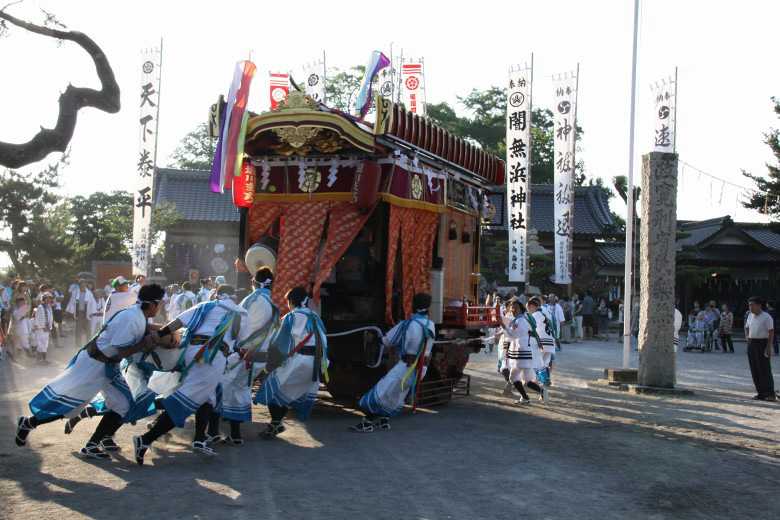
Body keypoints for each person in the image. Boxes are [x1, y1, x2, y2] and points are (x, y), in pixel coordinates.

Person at [14, 285, 164, 458]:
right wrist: (146, 343)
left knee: (123, 405)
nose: (159, 308)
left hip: (107, 366)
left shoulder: (138, 314)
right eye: (159, 304)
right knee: (71, 405)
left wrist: (167, 329)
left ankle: (93, 444)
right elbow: (122, 351)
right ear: (152, 304)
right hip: (93, 364)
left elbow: (146, 329)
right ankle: (29, 423)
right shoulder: (132, 318)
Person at [133, 284, 249, 465]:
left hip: (192, 352)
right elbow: (243, 343)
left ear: (217, 295)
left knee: (207, 398)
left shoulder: (207, 305)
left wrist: (158, 335)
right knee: (185, 401)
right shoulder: (241, 313)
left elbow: (178, 322)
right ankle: (145, 439)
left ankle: (199, 439)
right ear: (233, 297)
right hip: (212, 357)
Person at [351, 293, 435, 431]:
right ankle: (384, 421)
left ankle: (367, 423)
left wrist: (375, 338)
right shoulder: (430, 325)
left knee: (381, 392)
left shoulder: (407, 324)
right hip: (421, 370)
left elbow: (388, 341)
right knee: (396, 394)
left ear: (413, 305)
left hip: (406, 367)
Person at [254, 286, 329, 439]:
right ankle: (275, 424)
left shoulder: (291, 317)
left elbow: (279, 343)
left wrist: (269, 365)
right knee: (286, 393)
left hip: (300, 362)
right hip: (317, 364)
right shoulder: (315, 317)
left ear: (291, 301)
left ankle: (275, 424)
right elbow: (324, 340)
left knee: (270, 388)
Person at [218, 267, 279, 445]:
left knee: (230, 388)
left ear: (254, 282)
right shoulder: (274, 303)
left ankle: (233, 434)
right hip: (263, 355)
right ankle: (233, 433)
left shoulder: (252, 299)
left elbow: (237, 325)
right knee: (240, 388)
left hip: (245, 354)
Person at [500, 298, 544, 405]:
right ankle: (541, 392)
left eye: (515, 307)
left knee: (514, 377)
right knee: (527, 381)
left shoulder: (521, 321)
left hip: (520, 353)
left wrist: (504, 327)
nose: (513, 310)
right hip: (522, 353)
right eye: (511, 308)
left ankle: (526, 397)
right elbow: (511, 335)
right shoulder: (519, 320)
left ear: (520, 309)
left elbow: (514, 335)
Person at [744, 297, 775, 401]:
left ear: (759, 305)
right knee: (755, 369)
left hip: (762, 343)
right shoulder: (750, 315)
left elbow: (771, 332)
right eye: (749, 305)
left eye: (752, 305)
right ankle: (761, 393)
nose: (750, 307)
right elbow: (746, 326)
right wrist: (747, 337)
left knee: (764, 369)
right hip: (752, 343)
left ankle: (770, 394)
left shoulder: (767, 317)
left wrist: (768, 347)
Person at [528, 296, 554, 390]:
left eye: (528, 307)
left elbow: (529, 329)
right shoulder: (545, 314)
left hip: (542, 342)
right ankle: (546, 381)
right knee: (545, 364)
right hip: (550, 342)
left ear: (532, 306)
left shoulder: (534, 315)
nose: (528, 309)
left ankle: (537, 382)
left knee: (536, 363)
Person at [66, 280, 96, 347]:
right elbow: (72, 301)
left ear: (86, 285)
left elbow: (93, 303)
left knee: (88, 329)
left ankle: (88, 344)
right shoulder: (75, 293)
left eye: (84, 284)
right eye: (81, 284)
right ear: (79, 285)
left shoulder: (89, 293)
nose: (83, 286)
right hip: (79, 313)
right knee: (78, 330)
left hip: (87, 313)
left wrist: (92, 312)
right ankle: (78, 345)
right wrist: (69, 311)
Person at [32, 293, 54, 364]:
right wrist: (38, 326)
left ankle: (44, 359)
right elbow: (37, 318)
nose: (49, 300)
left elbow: (51, 318)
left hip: (47, 328)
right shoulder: (40, 307)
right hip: (40, 328)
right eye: (47, 298)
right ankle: (38, 360)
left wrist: (50, 327)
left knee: (45, 344)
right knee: (40, 344)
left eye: (50, 299)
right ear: (44, 299)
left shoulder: (49, 307)